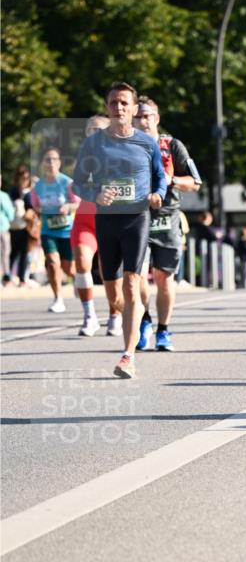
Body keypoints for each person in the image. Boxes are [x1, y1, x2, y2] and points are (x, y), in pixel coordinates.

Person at [72, 81, 167, 378]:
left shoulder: (146, 143)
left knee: (131, 281)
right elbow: (77, 182)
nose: (119, 107)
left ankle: (128, 355)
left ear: (134, 108)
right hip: (106, 219)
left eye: (125, 102)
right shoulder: (94, 143)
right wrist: (96, 195)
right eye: (114, 102)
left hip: (136, 218)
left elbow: (160, 178)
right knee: (115, 295)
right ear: (107, 107)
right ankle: (126, 314)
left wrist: (157, 195)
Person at [133, 97, 202, 351]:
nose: (143, 120)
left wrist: (171, 180)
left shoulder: (172, 145)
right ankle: (144, 321)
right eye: (138, 116)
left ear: (157, 119)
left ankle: (163, 330)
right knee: (138, 275)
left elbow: (195, 182)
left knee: (164, 279)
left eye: (147, 115)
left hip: (167, 218)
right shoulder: (127, 147)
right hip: (138, 218)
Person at [70, 114, 125, 337]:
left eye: (98, 129)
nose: (94, 133)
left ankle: (115, 315)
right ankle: (90, 316)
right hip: (85, 221)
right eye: (90, 129)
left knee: (108, 272)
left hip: (110, 220)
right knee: (82, 262)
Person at [30, 147, 79, 313]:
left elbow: (77, 203)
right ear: (43, 164)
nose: (51, 163)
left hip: (66, 230)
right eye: (47, 159)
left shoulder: (67, 182)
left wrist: (67, 206)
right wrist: (39, 210)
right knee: (52, 262)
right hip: (48, 230)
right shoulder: (38, 187)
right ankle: (58, 298)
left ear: (59, 163)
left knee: (69, 268)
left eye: (54, 159)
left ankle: (77, 280)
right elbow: (35, 206)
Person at [8, 165, 32, 285]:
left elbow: (32, 207)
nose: (24, 180)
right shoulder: (13, 191)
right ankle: (7, 277)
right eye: (22, 177)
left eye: (27, 178)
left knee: (24, 253)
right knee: (12, 252)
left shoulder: (30, 192)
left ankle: (22, 279)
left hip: (26, 227)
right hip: (14, 226)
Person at [0, 177, 15, 285]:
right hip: (3, 228)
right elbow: (10, 214)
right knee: (5, 253)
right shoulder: (3, 196)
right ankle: (6, 276)